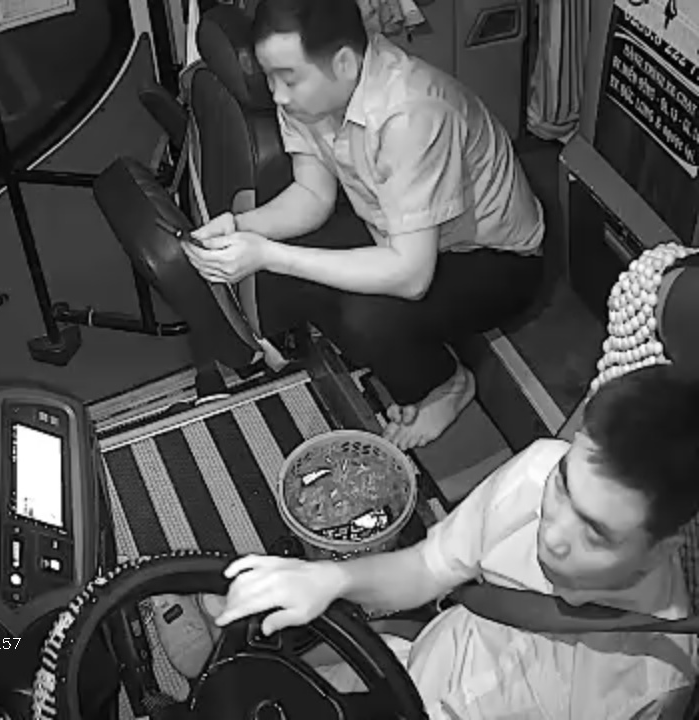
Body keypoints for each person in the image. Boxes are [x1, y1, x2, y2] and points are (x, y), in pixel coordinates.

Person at [201, 363, 699, 718]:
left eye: (595, 532)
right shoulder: (537, 472)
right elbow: (427, 568)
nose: (552, 532)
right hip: (417, 668)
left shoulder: (654, 681)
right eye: (565, 485)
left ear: (661, 547)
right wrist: (329, 578)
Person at [183, 0, 545, 450]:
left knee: (365, 317)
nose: (277, 95)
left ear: (343, 63)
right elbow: (312, 195)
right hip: (402, 231)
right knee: (300, 270)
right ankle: (414, 356)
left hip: (495, 259)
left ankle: (447, 386)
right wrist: (241, 227)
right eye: (270, 77)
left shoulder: (410, 112)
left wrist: (269, 254)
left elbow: (411, 277)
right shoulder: (309, 97)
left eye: (288, 78)